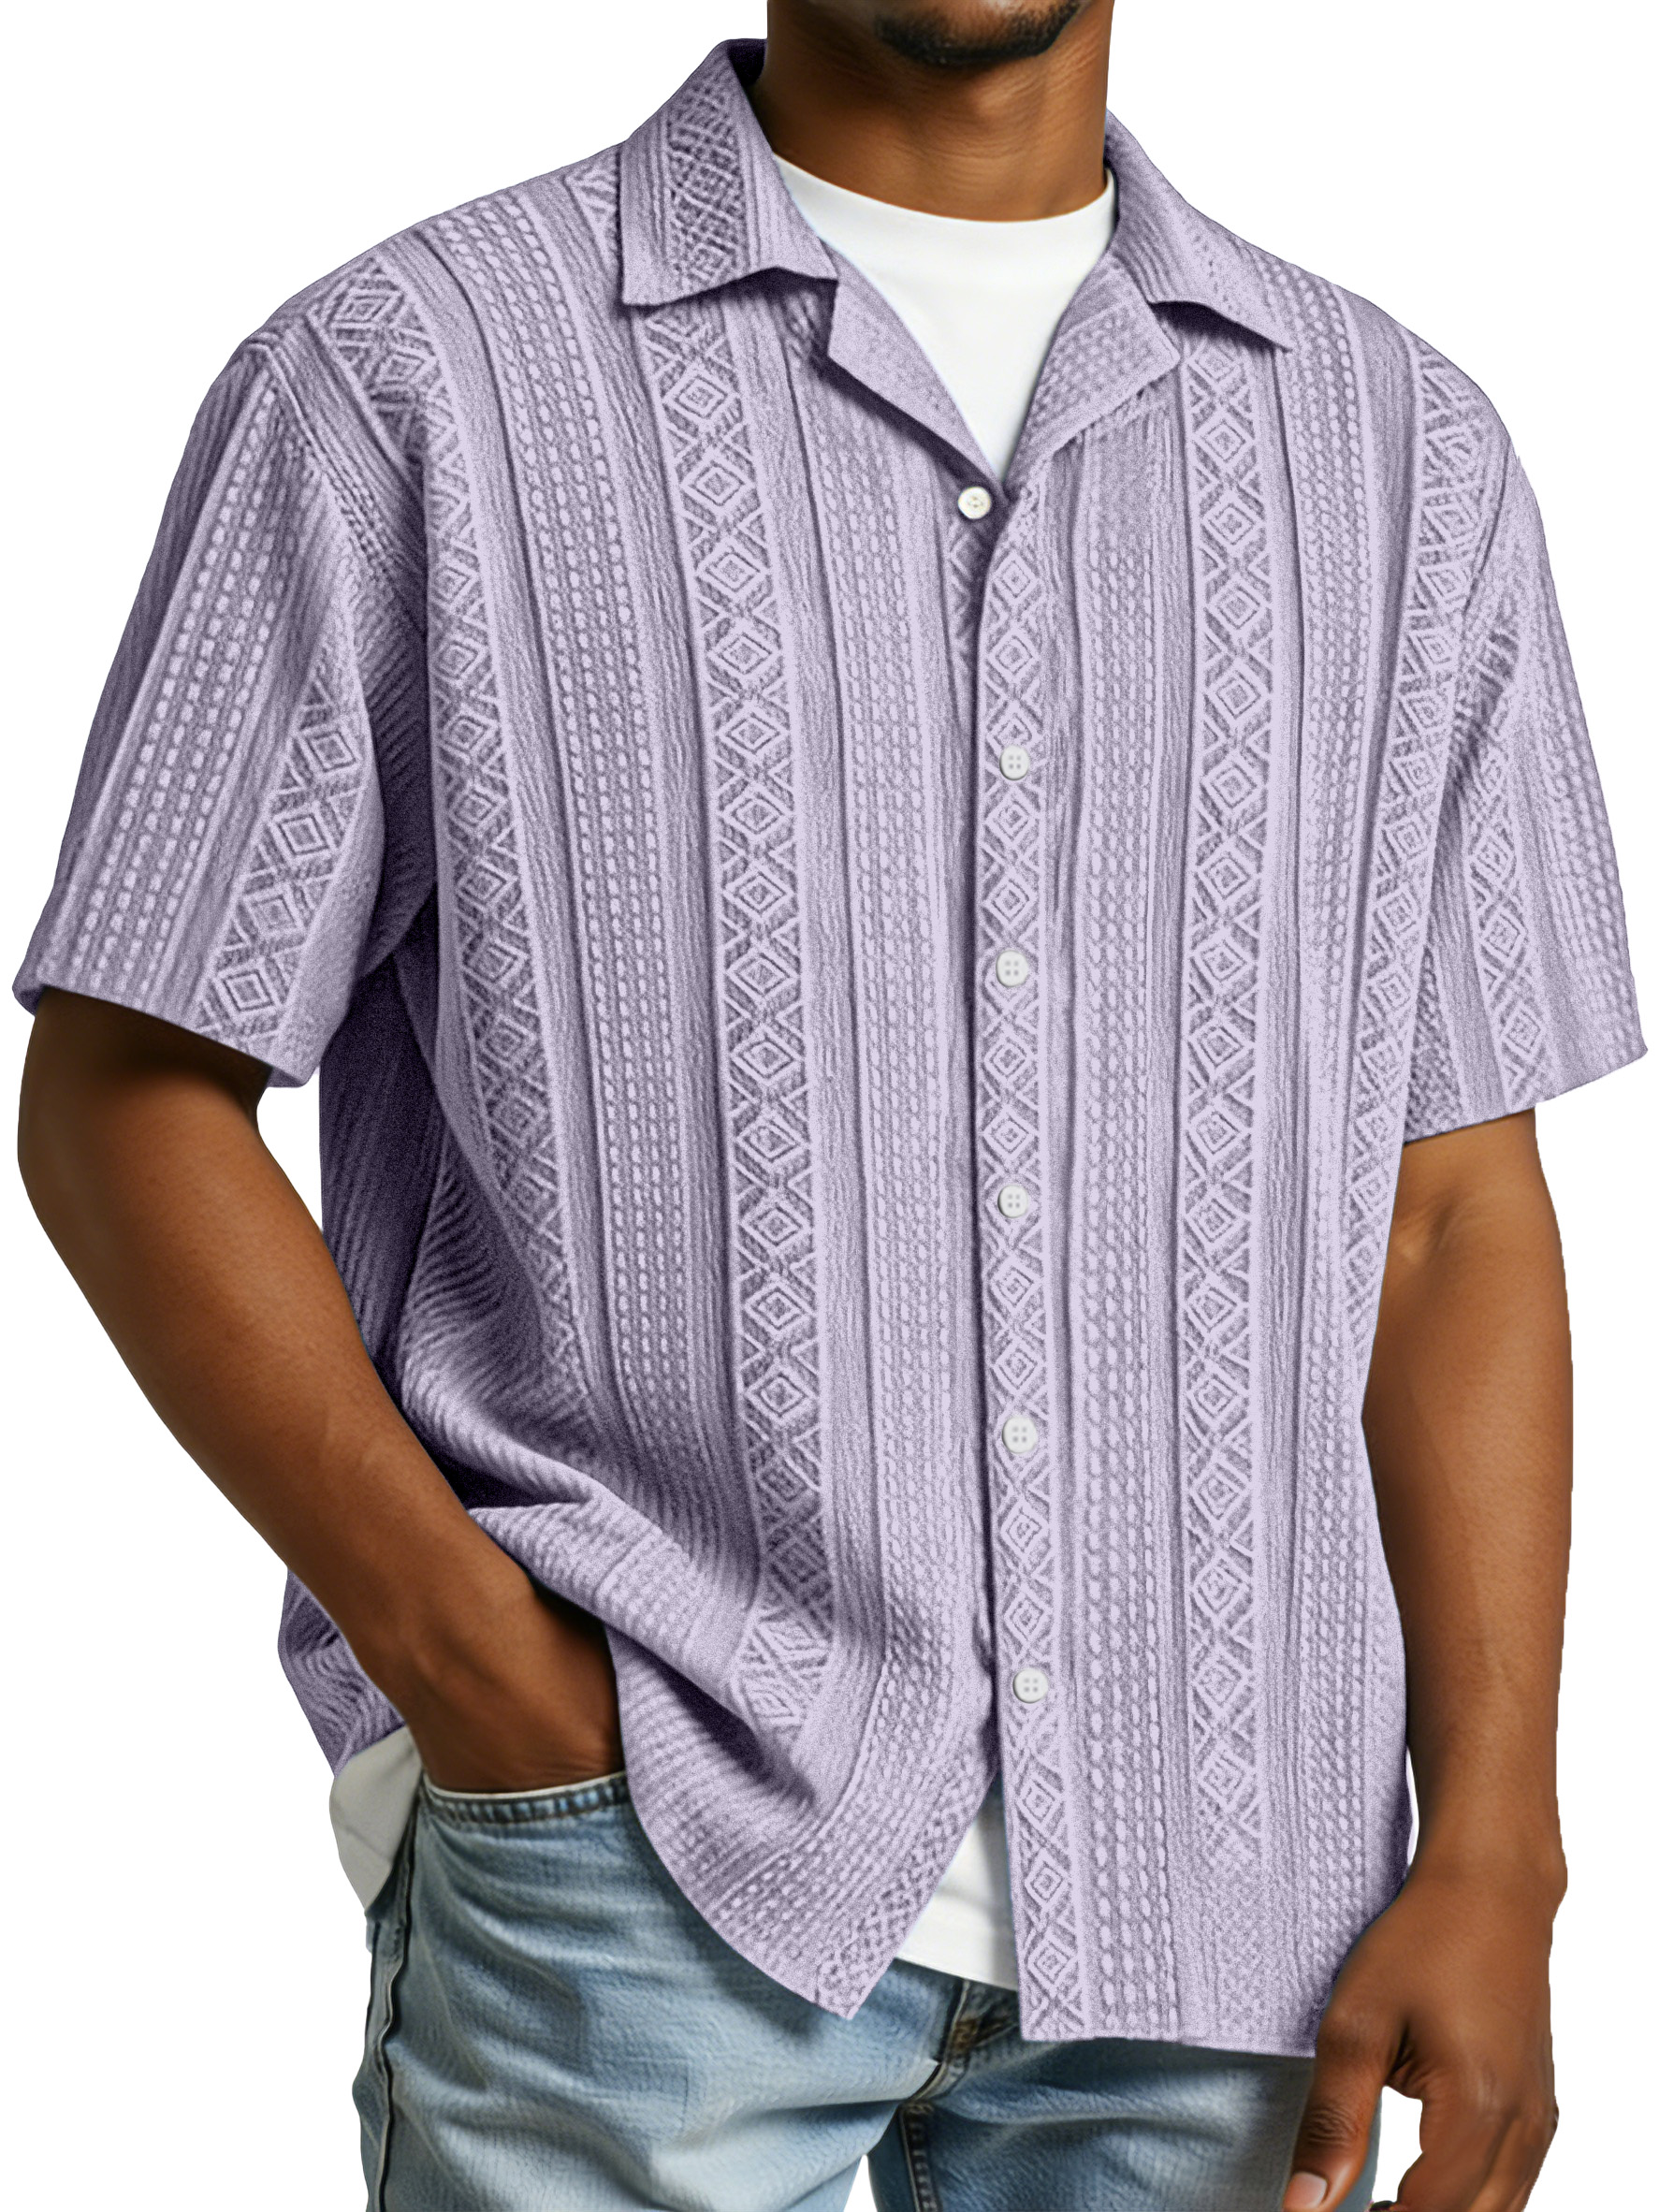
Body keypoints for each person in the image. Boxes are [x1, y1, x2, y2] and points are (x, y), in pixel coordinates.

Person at [14, 4, 1643, 2207]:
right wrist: (471, 1667)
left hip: (1245, 1922)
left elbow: (1444, 1209)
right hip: (640, 1866)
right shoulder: (407, 375)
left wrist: (1501, 1846)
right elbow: (131, 1082)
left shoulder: (1399, 452)